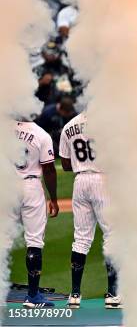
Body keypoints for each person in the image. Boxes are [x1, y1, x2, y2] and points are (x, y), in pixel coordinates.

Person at [59, 112, 122, 309]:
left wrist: (82, 164)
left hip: (80, 182)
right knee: (112, 235)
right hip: (101, 180)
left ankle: (75, 294)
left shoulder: (69, 125)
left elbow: (66, 164)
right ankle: (112, 295)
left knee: (81, 238)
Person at [13, 119, 59, 308]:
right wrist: (54, 199)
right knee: (34, 241)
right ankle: (32, 296)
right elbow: (48, 168)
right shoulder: (41, 134)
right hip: (31, 187)